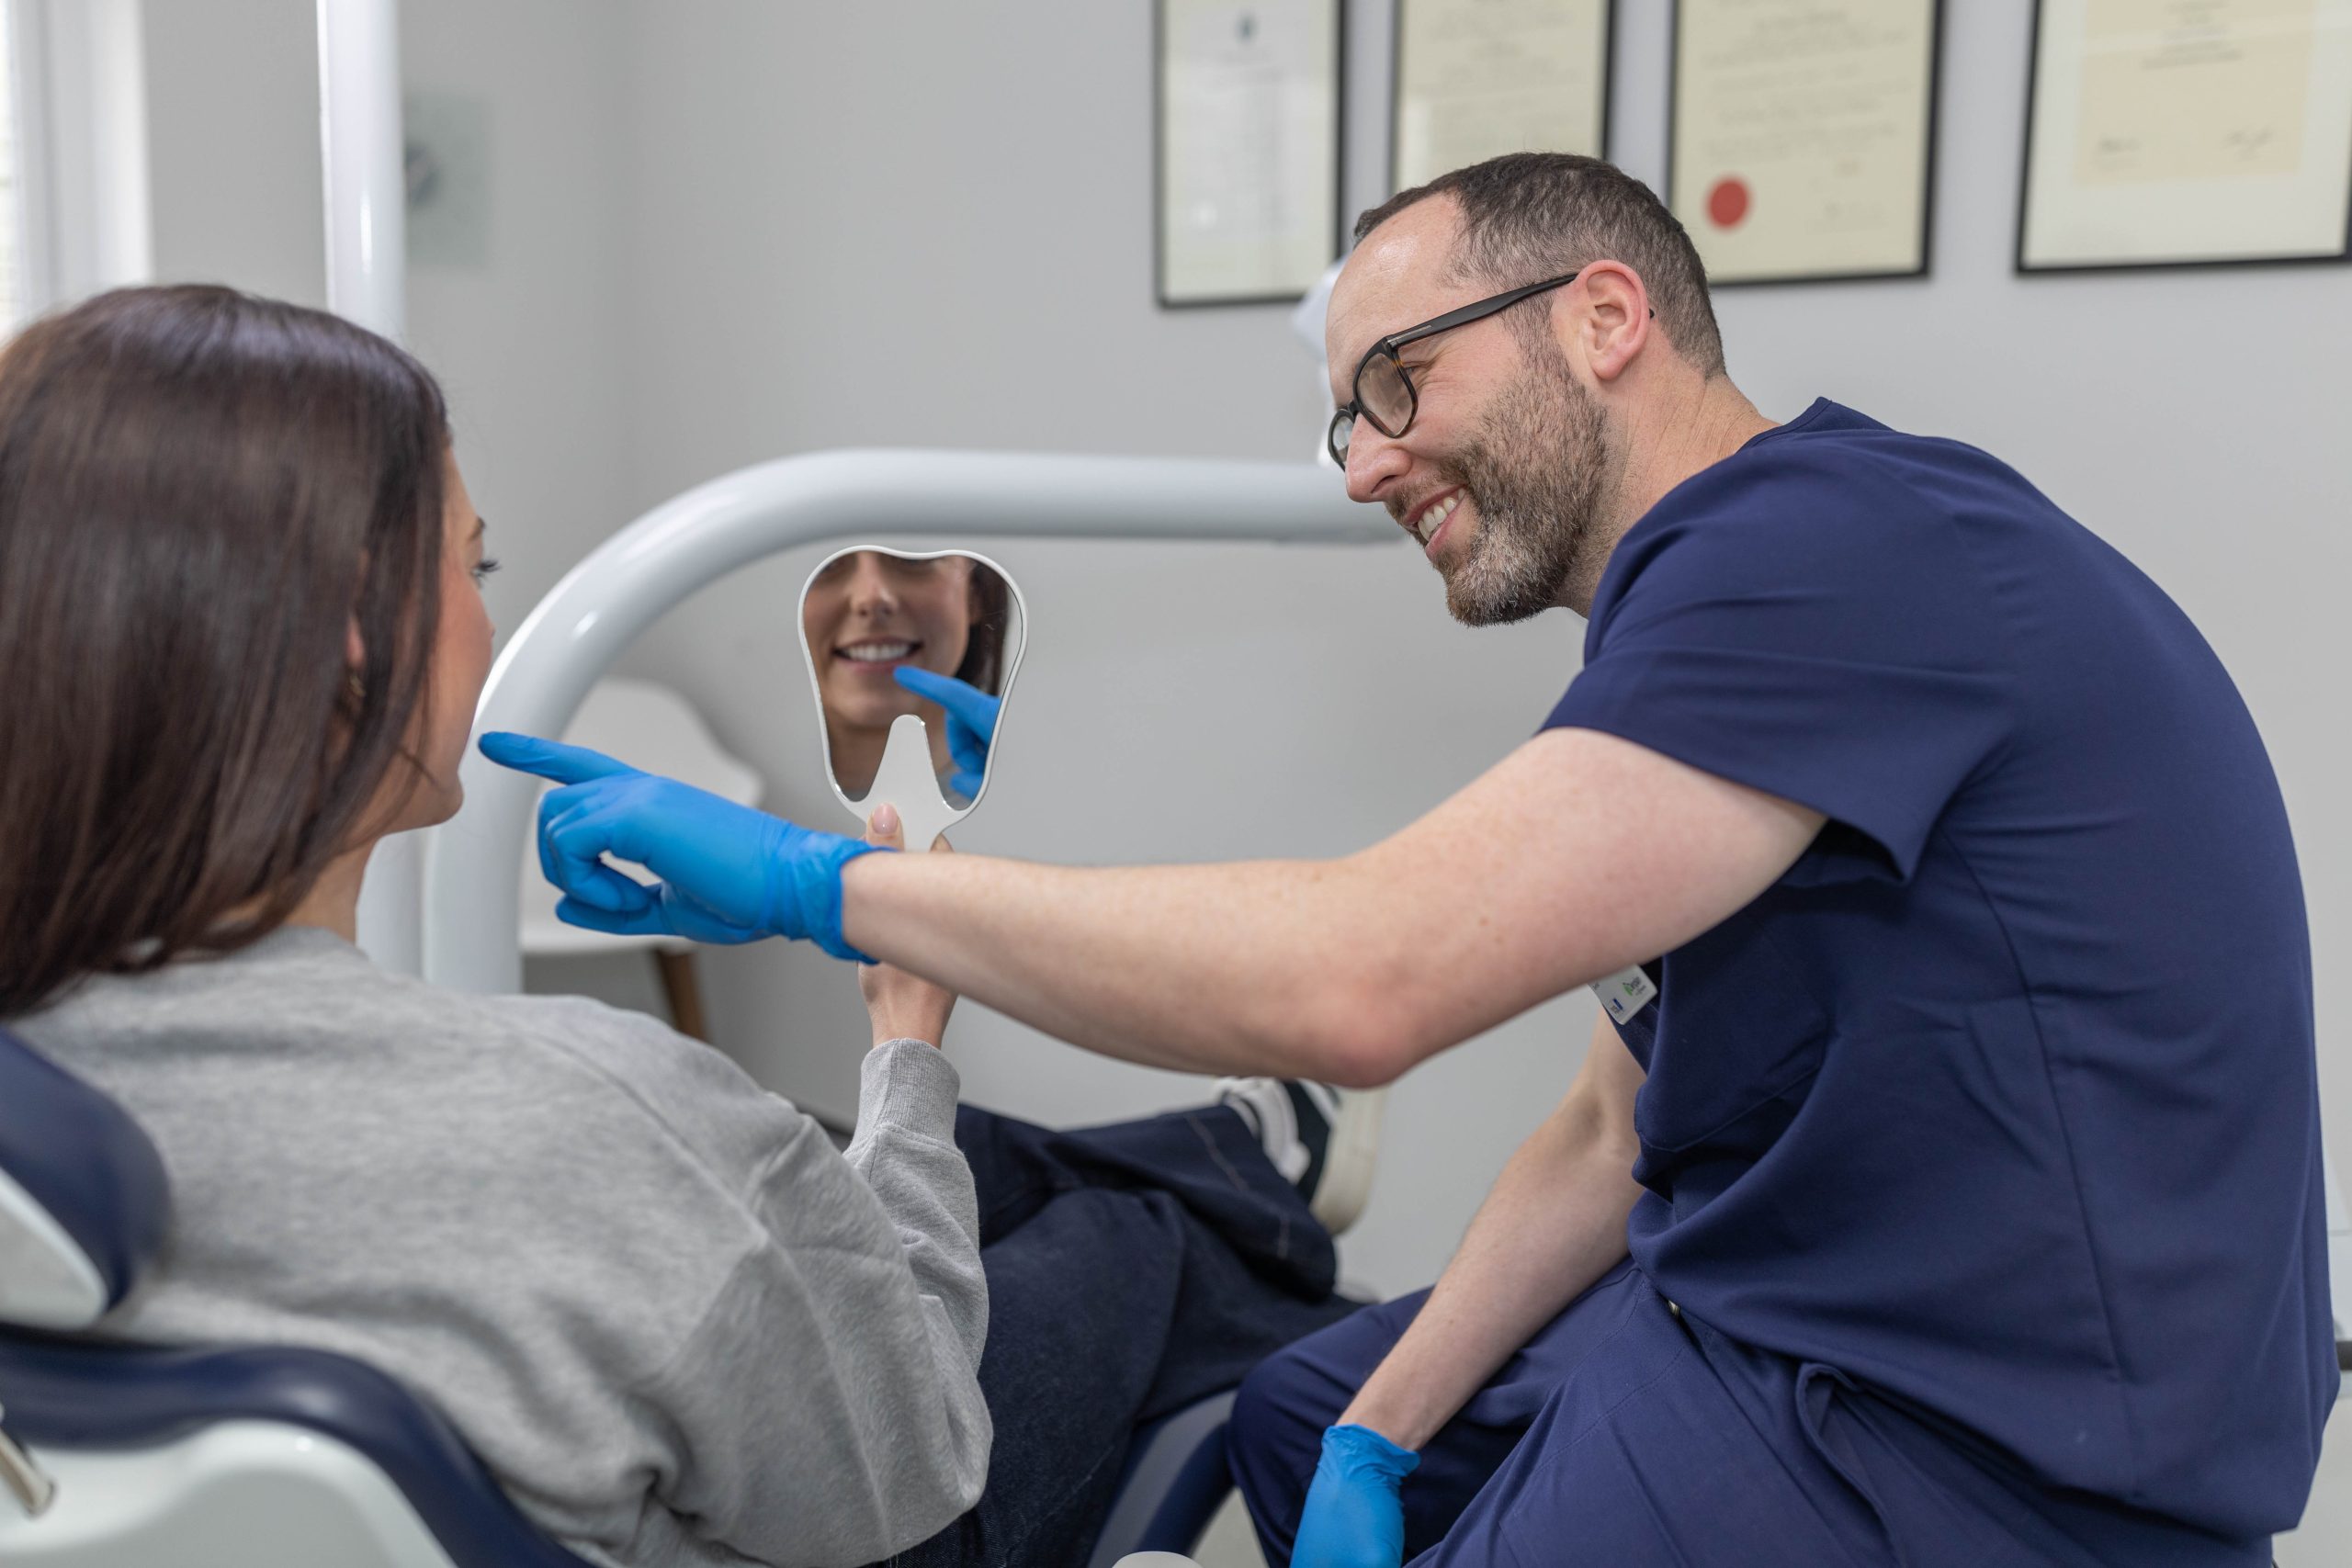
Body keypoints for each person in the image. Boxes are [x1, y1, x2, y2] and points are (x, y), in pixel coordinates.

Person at [491, 151, 2337, 1566]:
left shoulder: (1818, 556)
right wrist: (1381, 1423)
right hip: (1781, 1301)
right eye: (1345, 413)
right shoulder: (1733, 601)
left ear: (1601, 317)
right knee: (1297, 1414)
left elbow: (1363, 977)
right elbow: (1610, 1125)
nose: (1363, 466)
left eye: (1397, 382)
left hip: (1964, 1440)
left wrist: (816, 886)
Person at [0, 284, 1369, 1568]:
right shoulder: (598, 1117)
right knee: (1144, 1234)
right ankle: (1231, 1171)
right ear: (359, 636)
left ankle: (1237, 1143)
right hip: (880, 1510)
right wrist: (908, 1040)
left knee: (838, 1152)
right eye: (475, 562)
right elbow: (914, 1451)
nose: (488, 611)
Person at [802, 547, 1010, 805]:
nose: (871, 598)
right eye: (826, 565)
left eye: (911, 557)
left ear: (974, 593)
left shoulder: (1037, 797)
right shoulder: (753, 800)